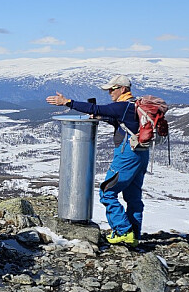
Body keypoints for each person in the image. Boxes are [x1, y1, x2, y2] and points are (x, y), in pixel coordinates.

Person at [46, 75, 148, 247]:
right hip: (141, 154)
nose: (109, 93)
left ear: (122, 89)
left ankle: (124, 231)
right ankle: (134, 235)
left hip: (126, 155)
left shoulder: (122, 106)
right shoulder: (134, 105)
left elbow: (96, 108)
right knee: (133, 196)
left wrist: (67, 102)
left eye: (112, 89)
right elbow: (118, 120)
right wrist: (102, 117)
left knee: (107, 191)